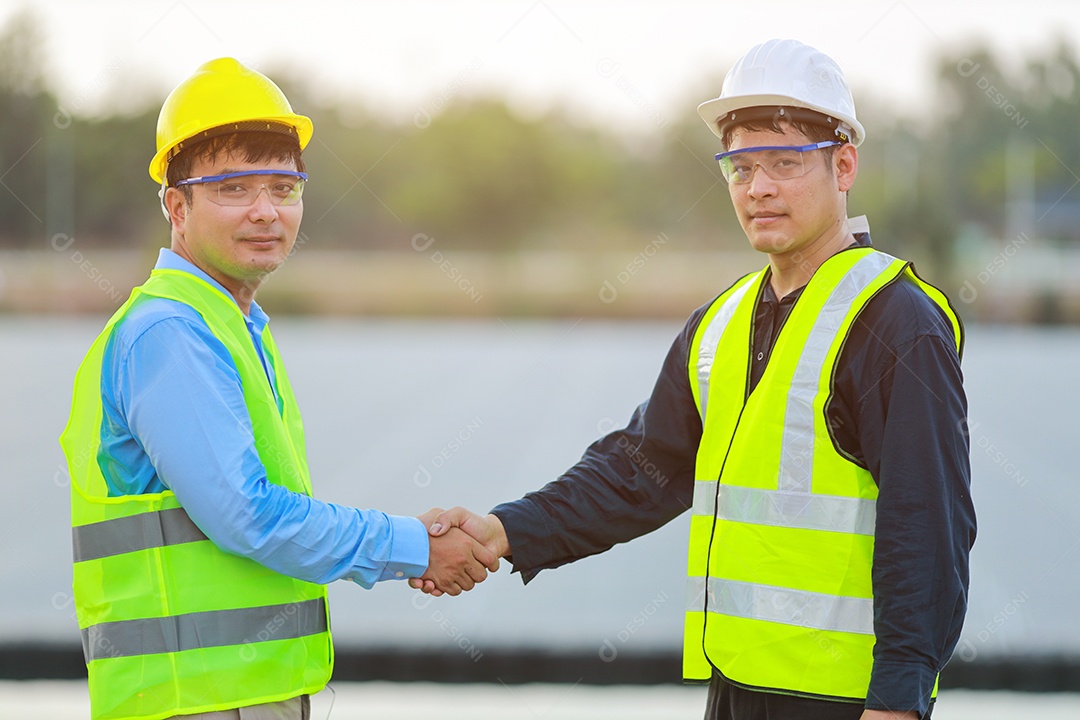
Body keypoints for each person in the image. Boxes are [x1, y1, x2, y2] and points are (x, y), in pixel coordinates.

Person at [412, 39, 976, 720]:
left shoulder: (896, 322)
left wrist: (899, 702)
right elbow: (640, 470)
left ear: (844, 164)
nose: (759, 187)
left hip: (846, 702)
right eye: (740, 166)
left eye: (785, 162)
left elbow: (928, 527)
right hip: (735, 687)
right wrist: (504, 531)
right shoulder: (722, 323)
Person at [59, 57, 497, 720]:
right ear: (177, 206)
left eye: (283, 188)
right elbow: (249, 516)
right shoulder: (170, 333)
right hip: (198, 702)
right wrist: (416, 546)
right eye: (235, 188)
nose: (266, 211)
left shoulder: (232, 326)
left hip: (234, 694)